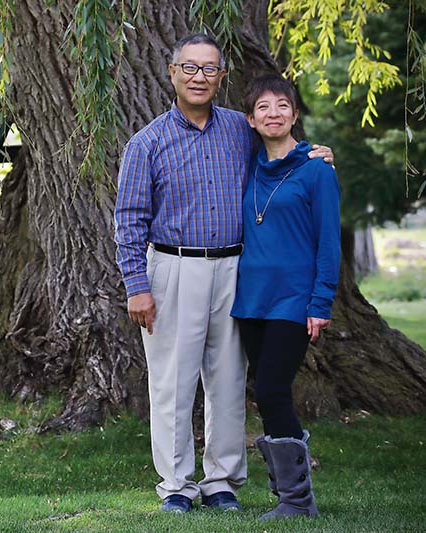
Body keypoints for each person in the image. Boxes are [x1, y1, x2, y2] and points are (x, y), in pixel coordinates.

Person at [114, 34, 333, 514]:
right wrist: (137, 286)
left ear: (221, 76)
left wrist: (317, 153)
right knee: (173, 381)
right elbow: (128, 219)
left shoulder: (239, 128)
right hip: (173, 268)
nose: (199, 77)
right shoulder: (147, 142)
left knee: (229, 379)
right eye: (189, 68)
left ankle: (222, 481)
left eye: (209, 69)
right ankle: (176, 485)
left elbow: (283, 150)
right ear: (172, 73)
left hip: (235, 270)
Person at [231, 74, 341, 520]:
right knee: (265, 390)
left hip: (293, 300)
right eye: (263, 107)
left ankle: (297, 502)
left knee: (274, 389)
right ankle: (287, 496)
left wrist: (321, 303)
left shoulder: (317, 169)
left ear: (295, 115)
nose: (273, 114)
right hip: (250, 300)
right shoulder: (248, 165)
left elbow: (329, 243)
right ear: (250, 120)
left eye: (282, 106)